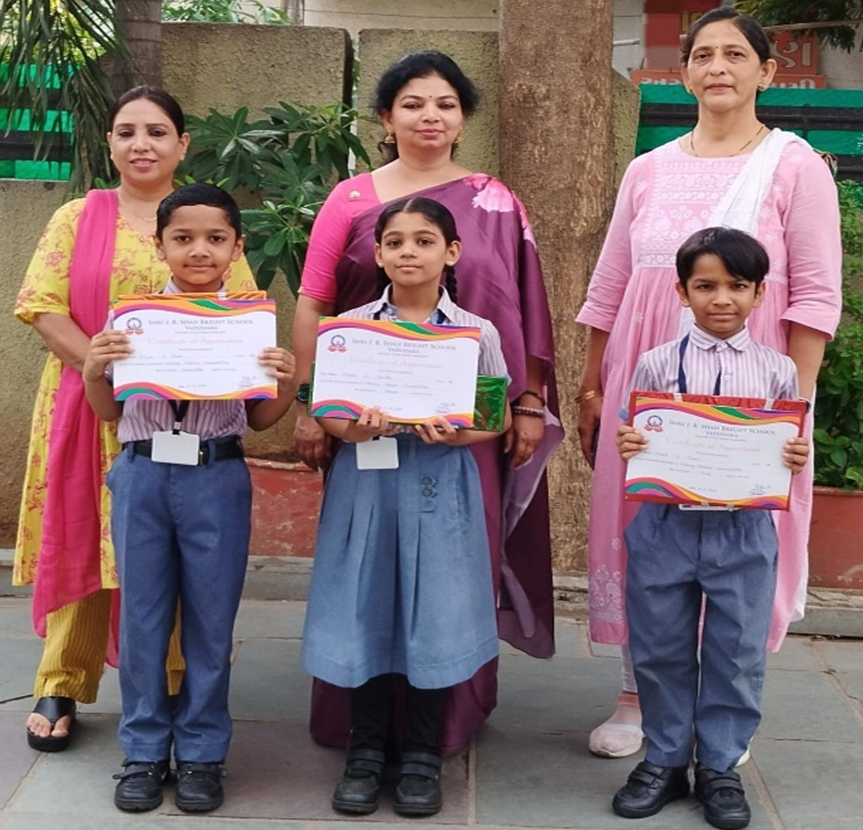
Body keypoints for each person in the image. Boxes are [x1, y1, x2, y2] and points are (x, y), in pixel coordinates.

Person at [576, 6, 842, 759]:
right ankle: (638, 694)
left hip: (751, 391)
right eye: (702, 55)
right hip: (647, 383)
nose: (717, 67)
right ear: (684, 71)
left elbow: (815, 296)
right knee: (646, 526)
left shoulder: (793, 166)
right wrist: (592, 385)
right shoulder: (648, 168)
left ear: (767, 71)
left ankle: (724, 706)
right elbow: (610, 284)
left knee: (735, 538)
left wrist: (791, 409)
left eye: (734, 54)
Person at [294, 49, 562, 756]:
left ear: (463, 117)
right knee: (364, 564)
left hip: (461, 431)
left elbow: (524, 308)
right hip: (363, 426)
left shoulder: (494, 200)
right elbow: (315, 303)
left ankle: (439, 726)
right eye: (412, 103)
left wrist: (525, 403)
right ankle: (360, 728)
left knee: (451, 566)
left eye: (445, 103)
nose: (429, 116)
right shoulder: (350, 199)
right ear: (386, 118)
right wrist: (309, 404)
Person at [14, 87, 257, 753]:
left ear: (183, 144)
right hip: (88, 405)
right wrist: (108, 376)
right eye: (126, 132)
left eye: (156, 132)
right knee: (82, 538)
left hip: (185, 420)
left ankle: (173, 677)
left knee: (166, 557)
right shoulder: (76, 216)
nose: (141, 144)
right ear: (111, 143)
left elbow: (239, 313)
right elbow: (42, 305)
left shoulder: (203, 217)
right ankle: (62, 678)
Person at [81, 183, 295, 813]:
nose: (199, 250)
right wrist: (94, 368)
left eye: (215, 238)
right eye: (183, 238)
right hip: (143, 473)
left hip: (215, 475)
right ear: (160, 245)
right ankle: (143, 750)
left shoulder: (249, 323)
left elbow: (260, 421)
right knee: (143, 619)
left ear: (237, 246)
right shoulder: (131, 320)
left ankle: (202, 751)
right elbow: (108, 411)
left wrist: (284, 382)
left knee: (210, 620)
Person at [302, 197, 507, 817]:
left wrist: (457, 433)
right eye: (394, 242)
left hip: (439, 484)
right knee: (363, 603)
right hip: (366, 483)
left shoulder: (475, 332)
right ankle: (365, 751)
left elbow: (493, 417)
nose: (408, 253)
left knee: (435, 611)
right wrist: (353, 428)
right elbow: (328, 411)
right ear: (377, 254)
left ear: (451, 253)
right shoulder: (349, 328)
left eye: (424, 241)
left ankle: (421, 753)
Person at [610, 227, 808, 830]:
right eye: (705, 285)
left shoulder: (777, 370)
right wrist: (630, 441)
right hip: (665, 525)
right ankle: (665, 760)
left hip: (743, 530)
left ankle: (720, 766)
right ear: (682, 291)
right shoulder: (656, 362)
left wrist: (793, 454)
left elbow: (787, 444)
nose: (721, 298)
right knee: (659, 645)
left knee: (737, 650)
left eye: (737, 285)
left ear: (760, 293)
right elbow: (634, 428)